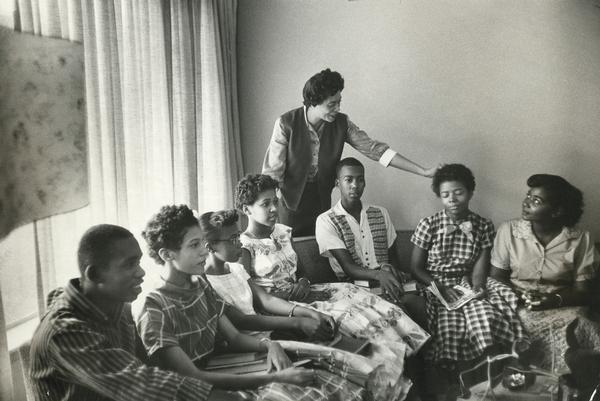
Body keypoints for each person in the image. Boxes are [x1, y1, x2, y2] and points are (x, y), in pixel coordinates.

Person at [136, 204, 363, 401]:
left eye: (202, 243)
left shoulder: (200, 286)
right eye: (194, 245)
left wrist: (270, 345)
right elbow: (191, 377)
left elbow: (233, 337)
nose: (204, 252)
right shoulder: (154, 305)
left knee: (324, 379)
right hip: (191, 389)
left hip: (224, 367)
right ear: (167, 254)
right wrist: (274, 377)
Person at [236, 173, 431, 399]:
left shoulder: (282, 232)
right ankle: (388, 387)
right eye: (265, 204)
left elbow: (301, 271)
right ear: (247, 209)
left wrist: (303, 281)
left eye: (275, 201)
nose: (273, 208)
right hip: (280, 306)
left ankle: (415, 381)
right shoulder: (243, 245)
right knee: (354, 325)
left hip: (309, 292)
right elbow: (258, 298)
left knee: (373, 307)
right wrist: (292, 303)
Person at [29, 224, 234, 401]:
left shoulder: (115, 304)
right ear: (94, 274)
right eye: (129, 264)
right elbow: (148, 386)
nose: (141, 272)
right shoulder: (64, 332)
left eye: (138, 262)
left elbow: (155, 369)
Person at [262, 68, 438, 236]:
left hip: (321, 202)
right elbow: (272, 175)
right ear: (314, 102)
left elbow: (375, 150)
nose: (337, 108)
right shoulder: (286, 123)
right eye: (332, 104)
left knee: (320, 253)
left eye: (339, 102)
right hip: (288, 205)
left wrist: (423, 171)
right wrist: (268, 213)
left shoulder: (342, 123)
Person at [409, 164, 526, 397]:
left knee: (486, 314)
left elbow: (480, 266)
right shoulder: (429, 224)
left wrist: (478, 287)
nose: (452, 199)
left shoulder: (483, 225)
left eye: (458, 192)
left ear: (471, 192)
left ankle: (485, 382)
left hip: (467, 283)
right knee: (449, 325)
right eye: (445, 195)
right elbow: (415, 268)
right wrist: (438, 287)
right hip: (434, 284)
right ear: (439, 197)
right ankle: (451, 384)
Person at [490, 174, 599, 373]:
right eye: (528, 196)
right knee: (516, 328)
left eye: (536, 200)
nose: (526, 202)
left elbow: (584, 292)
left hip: (563, 303)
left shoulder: (580, 239)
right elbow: (497, 276)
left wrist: (553, 300)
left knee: (579, 330)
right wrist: (518, 298)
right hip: (517, 303)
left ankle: (567, 383)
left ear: (557, 211)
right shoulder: (508, 231)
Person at [315, 157, 425, 326]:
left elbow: (392, 257)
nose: (355, 185)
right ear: (337, 183)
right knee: (396, 311)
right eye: (348, 180)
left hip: (386, 280)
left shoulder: (380, 213)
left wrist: (389, 268)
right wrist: (378, 275)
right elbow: (348, 267)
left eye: (360, 179)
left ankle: (427, 351)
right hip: (353, 288)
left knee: (418, 303)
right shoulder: (326, 220)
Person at [200, 208, 336, 341]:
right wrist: (299, 322)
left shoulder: (236, 269)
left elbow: (266, 300)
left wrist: (311, 313)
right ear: (210, 246)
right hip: (247, 344)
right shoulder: (207, 282)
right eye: (233, 239)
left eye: (239, 236)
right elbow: (243, 321)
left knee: (328, 333)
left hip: (266, 334)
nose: (240, 243)